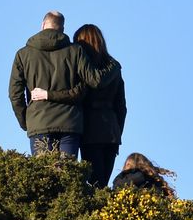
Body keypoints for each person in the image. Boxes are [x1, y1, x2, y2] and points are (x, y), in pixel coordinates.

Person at [9, 11, 119, 157]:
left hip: (39, 122)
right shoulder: (76, 51)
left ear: (43, 25)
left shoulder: (23, 54)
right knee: (68, 174)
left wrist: (26, 120)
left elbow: (15, 94)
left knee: (44, 175)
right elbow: (91, 82)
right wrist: (114, 65)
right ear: (62, 29)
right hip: (70, 123)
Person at [32, 24, 127, 188]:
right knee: (103, 183)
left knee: (91, 183)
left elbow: (76, 94)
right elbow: (122, 107)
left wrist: (48, 94)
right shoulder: (114, 67)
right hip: (111, 132)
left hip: (89, 129)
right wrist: (118, 132)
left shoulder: (83, 68)